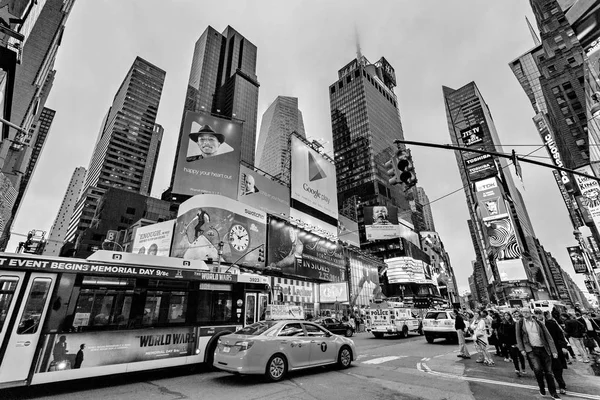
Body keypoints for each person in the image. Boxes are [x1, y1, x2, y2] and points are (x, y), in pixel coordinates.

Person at [516, 308, 560, 399]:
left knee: (549, 372)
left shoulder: (539, 322)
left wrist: (554, 351)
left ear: (530, 313)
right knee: (538, 369)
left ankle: (553, 392)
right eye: (523, 312)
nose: (525, 313)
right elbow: (518, 337)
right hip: (531, 350)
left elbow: (548, 337)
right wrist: (522, 349)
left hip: (544, 349)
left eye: (527, 312)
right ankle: (541, 387)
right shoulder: (520, 323)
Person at [543, 311, 568, 395]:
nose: (538, 316)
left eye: (540, 314)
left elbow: (560, 335)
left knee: (557, 368)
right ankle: (552, 387)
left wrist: (563, 346)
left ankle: (561, 385)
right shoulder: (535, 325)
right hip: (543, 351)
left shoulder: (552, 324)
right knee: (548, 370)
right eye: (536, 314)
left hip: (555, 349)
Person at [504, 312, 527, 376]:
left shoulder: (516, 323)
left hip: (518, 342)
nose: (506, 317)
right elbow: (505, 334)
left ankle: (523, 368)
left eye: (507, 315)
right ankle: (517, 369)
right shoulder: (504, 324)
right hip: (511, 342)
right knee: (514, 357)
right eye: (505, 315)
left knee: (520, 356)